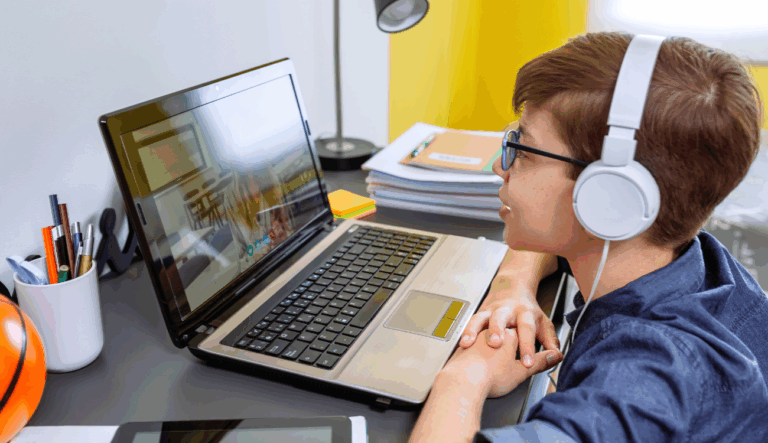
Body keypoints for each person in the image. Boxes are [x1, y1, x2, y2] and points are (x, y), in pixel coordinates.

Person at [408, 31, 768, 442]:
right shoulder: (693, 262)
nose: (500, 167)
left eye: (524, 152)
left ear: (608, 198)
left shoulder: (645, 386)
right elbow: (551, 239)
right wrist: (511, 287)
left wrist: (463, 377)